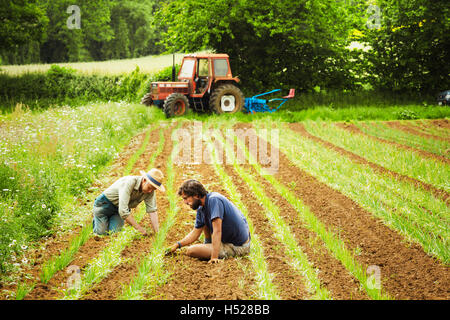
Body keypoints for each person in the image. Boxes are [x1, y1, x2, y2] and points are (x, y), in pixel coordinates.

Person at [168, 179, 251, 263]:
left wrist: (214, 257)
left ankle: (211, 249)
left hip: (238, 246)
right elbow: (195, 233)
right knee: (205, 223)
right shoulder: (201, 208)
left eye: (186, 198)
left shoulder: (214, 200)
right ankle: (208, 245)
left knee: (191, 250)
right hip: (227, 241)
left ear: (196, 195)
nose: (185, 202)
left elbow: (217, 231)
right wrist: (177, 244)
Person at [92, 168, 165, 236]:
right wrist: (139, 229)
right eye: (149, 187)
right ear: (144, 180)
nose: (150, 191)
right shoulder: (129, 182)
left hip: (117, 211)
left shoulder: (150, 191)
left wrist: (157, 233)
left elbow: (152, 211)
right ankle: (97, 219)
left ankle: (105, 222)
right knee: (102, 234)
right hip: (104, 205)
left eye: (153, 189)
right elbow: (123, 211)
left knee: (114, 234)